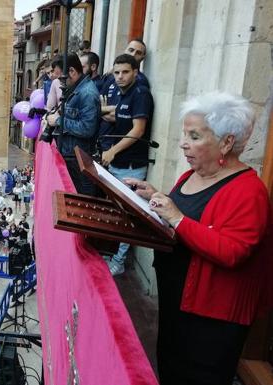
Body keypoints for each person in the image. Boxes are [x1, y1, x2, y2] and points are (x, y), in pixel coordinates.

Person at [126, 92, 272, 385]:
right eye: (185, 135)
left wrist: (176, 218)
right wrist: (156, 196)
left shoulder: (248, 191)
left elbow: (234, 251)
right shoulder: (194, 174)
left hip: (210, 321)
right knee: (170, 370)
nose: (183, 144)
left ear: (227, 142)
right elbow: (191, 215)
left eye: (194, 136)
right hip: (176, 305)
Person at [102, 54, 154, 276]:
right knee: (117, 211)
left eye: (125, 72)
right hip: (119, 163)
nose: (120, 77)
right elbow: (121, 117)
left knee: (126, 216)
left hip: (131, 166)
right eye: (116, 73)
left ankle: (120, 261)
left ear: (135, 72)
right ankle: (113, 253)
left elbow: (138, 129)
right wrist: (104, 112)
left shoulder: (140, 94)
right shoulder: (124, 94)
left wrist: (112, 151)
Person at [46, 53, 100, 196]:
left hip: (79, 161)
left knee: (81, 200)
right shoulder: (75, 89)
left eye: (61, 78)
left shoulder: (87, 93)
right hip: (71, 157)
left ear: (72, 71)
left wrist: (58, 121)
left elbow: (87, 128)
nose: (59, 83)